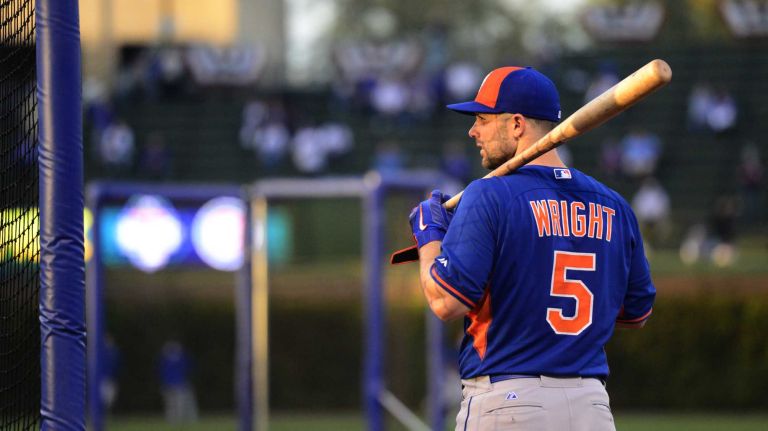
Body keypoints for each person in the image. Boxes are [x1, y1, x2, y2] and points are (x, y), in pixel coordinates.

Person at [407, 66, 656, 431]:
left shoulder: (488, 194)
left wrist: (429, 237)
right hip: (592, 408)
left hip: (509, 404)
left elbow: (446, 302)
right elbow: (637, 312)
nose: (473, 131)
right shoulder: (614, 204)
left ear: (518, 125)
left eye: (482, 119)